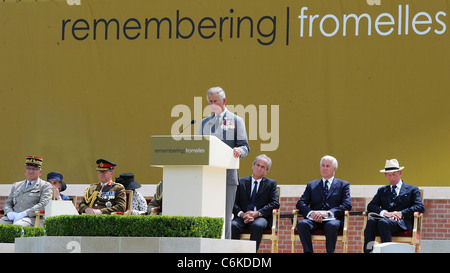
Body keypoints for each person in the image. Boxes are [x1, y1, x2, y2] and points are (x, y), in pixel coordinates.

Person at [197, 86, 250, 239]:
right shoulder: (204, 123)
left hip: (228, 176)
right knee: (208, 212)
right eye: (210, 101)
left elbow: (245, 146)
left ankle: (223, 246)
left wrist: (239, 151)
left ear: (224, 101)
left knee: (225, 215)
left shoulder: (236, 121)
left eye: (216, 101)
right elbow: (199, 147)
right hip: (208, 177)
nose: (213, 104)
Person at [363, 159, 425, 253]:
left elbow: (420, 207)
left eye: (394, 174)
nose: (392, 177)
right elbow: (371, 206)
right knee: (371, 221)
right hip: (384, 220)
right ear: (385, 175)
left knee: (383, 223)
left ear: (400, 173)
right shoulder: (382, 190)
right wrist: (385, 213)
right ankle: (368, 251)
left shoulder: (412, 189)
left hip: (401, 223)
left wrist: (401, 213)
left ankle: (388, 251)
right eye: (389, 175)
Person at [296, 155, 352, 253]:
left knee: (332, 225)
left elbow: (347, 204)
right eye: (323, 165)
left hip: (332, 219)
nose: (324, 168)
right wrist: (311, 213)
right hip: (314, 220)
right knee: (301, 224)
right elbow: (301, 203)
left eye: (327, 166)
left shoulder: (343, 185)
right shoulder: (311, 185)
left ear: (334, 169)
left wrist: (328, 213)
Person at [231, 154, 279, 251]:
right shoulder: (241, 182)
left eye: (262, 167)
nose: (259, 168)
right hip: (242, 216)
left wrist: (258, 213)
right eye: (257, 165)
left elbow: (275, 203)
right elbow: (233, 202)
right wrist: (242, 214)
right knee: (233, 225)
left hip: (261, 217)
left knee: (257, 226)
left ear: (267, 171)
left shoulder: (271, 184)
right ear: (253, 165)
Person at [0, 156, 52, 227]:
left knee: (17, 226)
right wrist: (9, 213)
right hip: (13, 216)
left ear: (40, 172)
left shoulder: (45, 185)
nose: (31, 171)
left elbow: (43, 204)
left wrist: (25, 213)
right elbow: (8, 203)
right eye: (28, 168)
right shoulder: (16, 185)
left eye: (34, 169)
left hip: (31, 218)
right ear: (25, 171)